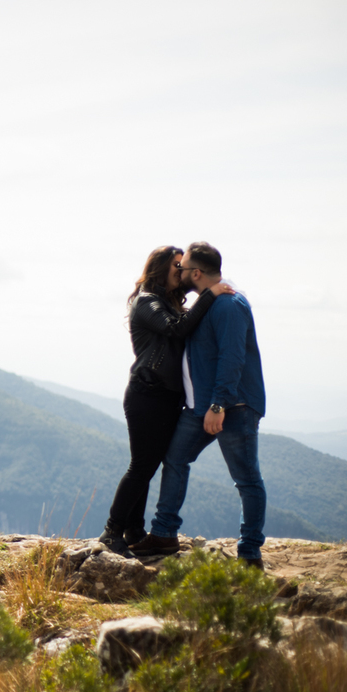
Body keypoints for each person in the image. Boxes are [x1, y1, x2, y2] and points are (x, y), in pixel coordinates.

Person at [130, 242, 267, 568]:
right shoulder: (207, 304)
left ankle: (250, 553)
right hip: (199, 406)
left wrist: (219, 405)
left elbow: (232, 358)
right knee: (175, 459)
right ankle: (163, 534)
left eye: (183, 268)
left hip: (233, 406)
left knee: (247, 479)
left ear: (196, 273)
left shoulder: (230, 305)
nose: (178, 272)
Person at [97, 245, 234, 556]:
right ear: (160, 267)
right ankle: (111, 531)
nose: (181, 270)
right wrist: (210, 294)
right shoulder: (147, 302)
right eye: (176, 265)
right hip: (147, 394)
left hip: (165, 397)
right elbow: (176, 330)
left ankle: (133, 529)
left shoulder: (166, 302)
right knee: (141, 466)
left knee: (149, 464)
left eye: (184, 265)